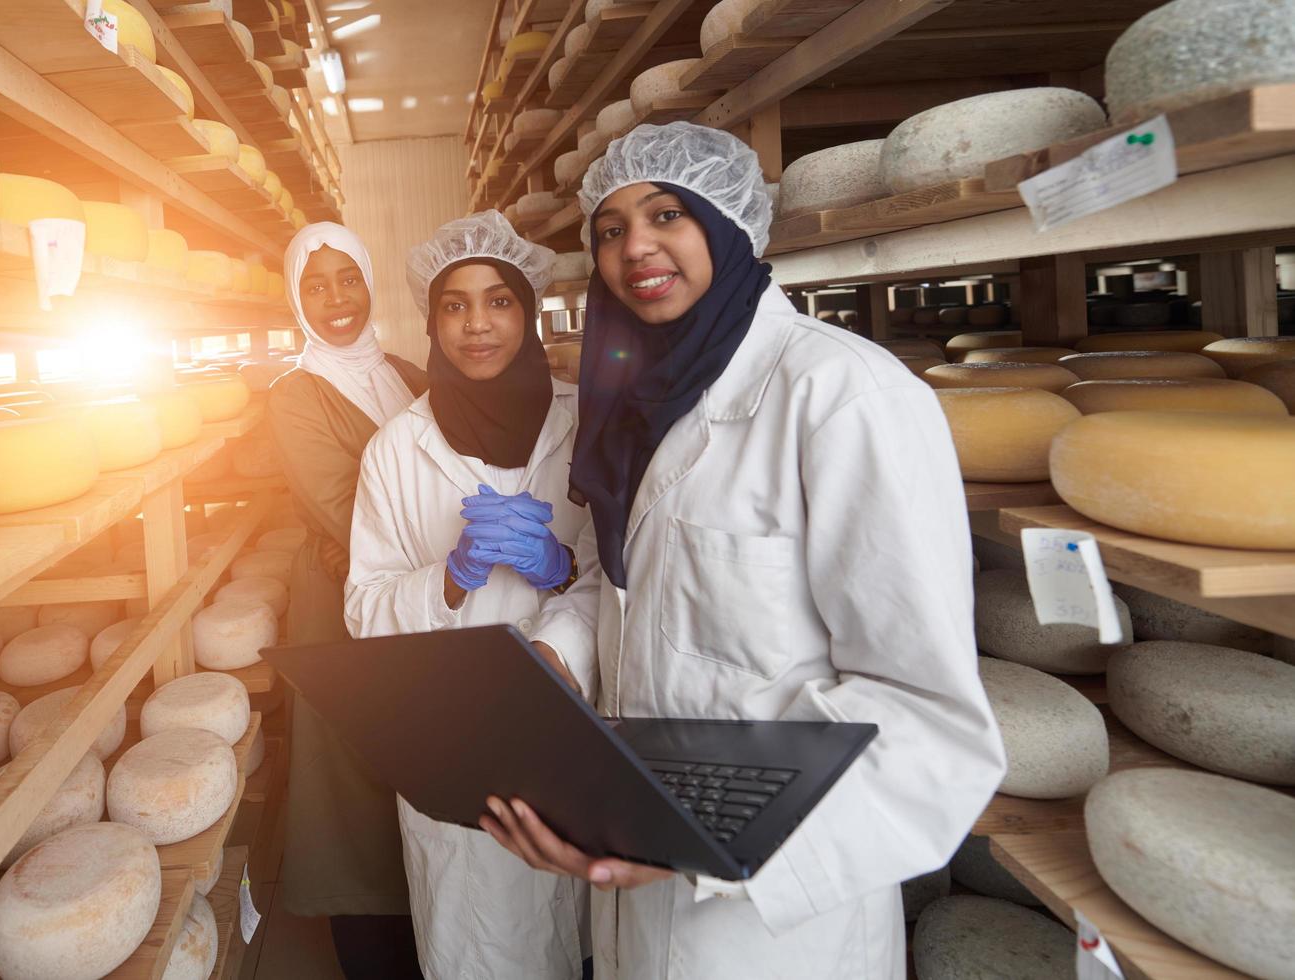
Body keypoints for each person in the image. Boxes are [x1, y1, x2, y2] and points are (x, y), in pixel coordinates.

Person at [479, 122, 1006, 979]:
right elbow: (617, 582)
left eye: (665, 216)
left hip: (772, 922)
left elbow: (925, 718)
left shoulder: (842, 396)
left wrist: (713, 845)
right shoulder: (627, 405)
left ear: (726, 227)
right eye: (609, 231)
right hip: (630, 856)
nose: (633, 247)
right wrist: (555, 651)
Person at [345, 211, 589, 980]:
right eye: (453, 305)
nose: (476, 325)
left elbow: (634, 578)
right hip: (452, 734)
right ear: (430, 321)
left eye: (498, 301)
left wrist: (562, 571)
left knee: (579, 927)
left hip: (571, 720)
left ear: (529, 310)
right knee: (475, 940)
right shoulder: (394, 448)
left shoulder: (587, 424)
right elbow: (363, 608)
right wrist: (446, 579)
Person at [268, 222, 427, 977]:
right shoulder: (295, 396)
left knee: (420, 770)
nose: (336, 299)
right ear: (295, 299)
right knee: (354, 794)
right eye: (314, 284)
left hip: (423, 601)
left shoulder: (408, 371)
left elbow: (462, 470)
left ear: (371, 282)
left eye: (348, 278)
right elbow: (341, 511)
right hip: (340, 611)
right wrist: (383, 538)